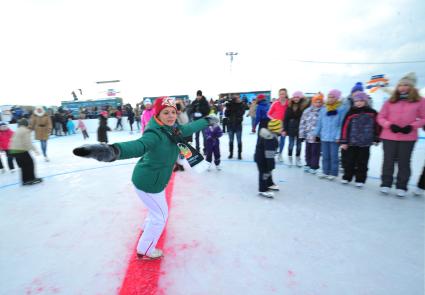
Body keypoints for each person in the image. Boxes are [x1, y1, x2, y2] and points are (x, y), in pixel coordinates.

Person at [73, 96, 218, 259]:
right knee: (161, 217)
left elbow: (188, 128)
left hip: (154, 179)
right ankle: (146, 249)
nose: (171, 116)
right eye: (166, 112)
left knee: (155, 210)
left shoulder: (172, 129)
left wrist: (207, 120)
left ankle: (147, 226)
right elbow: (138, 146)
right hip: (149, 183)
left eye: (173, 112)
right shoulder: (155, 134)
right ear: (158, 114)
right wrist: (111, 151)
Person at [377, 72, 425, 197]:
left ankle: (401, 186)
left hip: (408, 137)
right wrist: (389, 125)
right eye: (401, 85)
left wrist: (412, 126)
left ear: (412, 87)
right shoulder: (390, 101)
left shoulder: (420, 101)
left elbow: (423, 118)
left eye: (406, 85)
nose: (403, 88)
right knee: (388, 161)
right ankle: (386, 184)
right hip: (389, 136)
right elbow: (380, 117)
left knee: (404, 162)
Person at [339, 91, 380, 187]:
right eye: (356, 101)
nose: (359, 103)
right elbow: (345, 127)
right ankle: (347, 177)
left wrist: (376, 137)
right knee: (349, 161)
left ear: (365, 101)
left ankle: (360, 179)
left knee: (362, 161)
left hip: (365, 142)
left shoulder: (372, 112)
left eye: (361, 100)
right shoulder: (351, 112)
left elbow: (377, 126)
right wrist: (344, 141)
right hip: (352, 142)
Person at [314, 89, 347, 180]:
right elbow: (319, 122)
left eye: (333, 97)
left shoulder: (340, 109)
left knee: (334, 155)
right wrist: (316, 133)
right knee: (325, 155)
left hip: (334, 137)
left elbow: (341, 124)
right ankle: (325, 171)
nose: (331, 99)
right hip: (324, 136)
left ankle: (333, 172)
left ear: (337, 98)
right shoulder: (324, 109)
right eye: (329, 97)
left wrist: (338, 136)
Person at [9, 119, 42, 185]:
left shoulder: (18, 130)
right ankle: (31, 179)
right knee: (30, 163)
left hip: (13, 150)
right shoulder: (26, 131)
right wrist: (35, 150)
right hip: (21, 150)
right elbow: (28, 142)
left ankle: (25, 180)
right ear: (26, 124)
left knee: (23, 166)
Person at [254, 119, 281, 198]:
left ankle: (269, 184)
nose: (282, 129)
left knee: (268, 172)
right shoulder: (270, 138)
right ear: (275, 129)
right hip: (263, 159)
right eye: (280, 128)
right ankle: (263, 189)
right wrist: (271, 164)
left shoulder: (271, 135)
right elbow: (269, 154)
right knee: (264, 173)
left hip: (263, 157)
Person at [299, 93, 324, 174]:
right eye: (316, 102)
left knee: (315, 151)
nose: (318, 104)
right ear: (313, 102)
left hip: (317, 135)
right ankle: (308, 164)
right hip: (308, 135)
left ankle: (314, 166)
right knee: (308, 150)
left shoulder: (323, 111)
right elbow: (302, 123)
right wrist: (302, 134)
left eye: (319, 102)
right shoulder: (307, 111)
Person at [283, 91, 308, 167]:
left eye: (297, 97)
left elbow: (305, 118)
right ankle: (290, 158)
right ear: (292, 98)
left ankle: (298, 158)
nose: (296, 98)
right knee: (291, 144)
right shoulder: (289, 106)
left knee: (299, 145)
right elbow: (285, 119)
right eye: (294, 97)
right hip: (291, 128)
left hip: (300, 129)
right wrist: (284, 129)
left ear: (300, 98)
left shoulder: (304, 106)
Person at [268, 88, 289, 162]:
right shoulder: (275, 103)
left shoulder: (289, 103)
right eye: (280, 94)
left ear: (286, 94)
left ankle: (280, 154)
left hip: (284, 126)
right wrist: (274, 120)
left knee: (282, 141)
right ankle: (273, 154)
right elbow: (268, 114)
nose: (282, 95)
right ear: (278, 95)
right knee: (274, 141)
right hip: (276, 126)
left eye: (283, 94)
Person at [225, 94, 245, 159]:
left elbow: (242, 113)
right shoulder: (229, 105)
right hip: (230, 125)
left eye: (237, 98)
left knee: (239, 141)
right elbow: (226, 114)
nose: (236, 99)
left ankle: (239, 154)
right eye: (235, 98)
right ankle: (231, 153)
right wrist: (228, 107)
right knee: (231, 141)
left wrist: (237, 105)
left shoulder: (241, 105)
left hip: (238, 125)